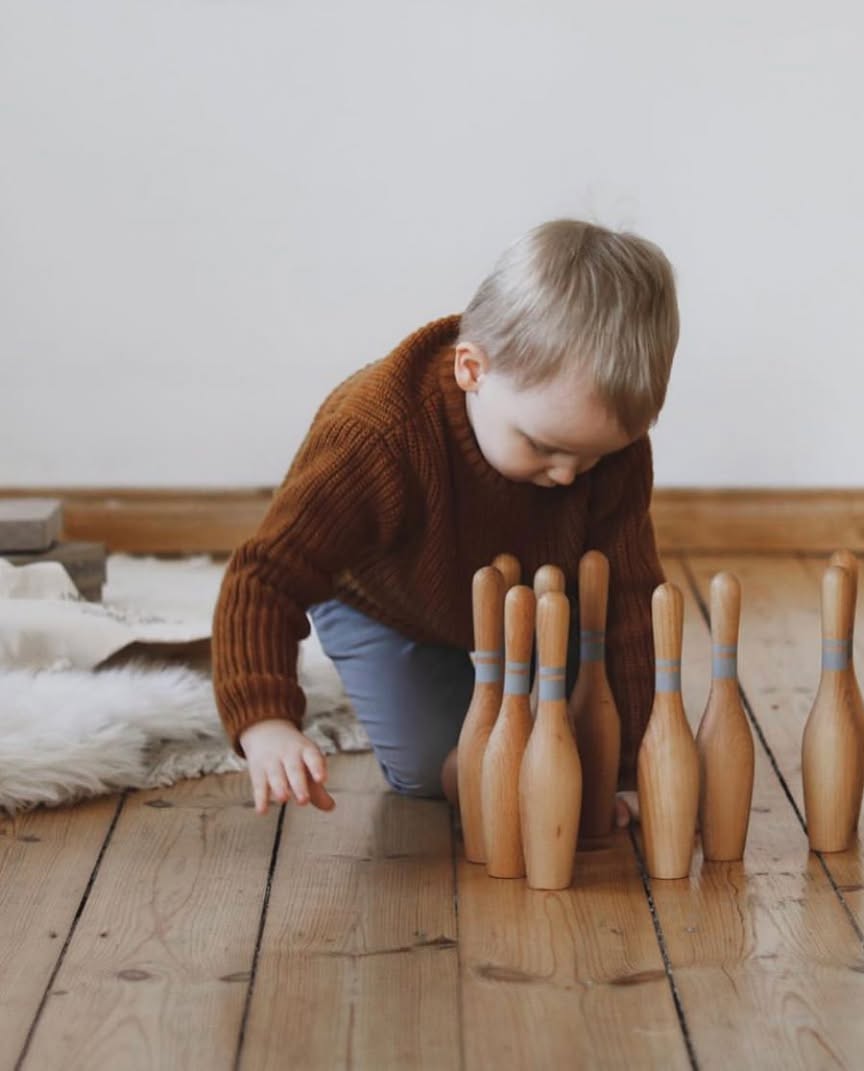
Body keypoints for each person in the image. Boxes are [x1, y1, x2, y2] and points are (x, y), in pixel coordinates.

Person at [212, 218, 679, 824]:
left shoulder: (609, 450)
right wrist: (265, 721)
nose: (569, 475)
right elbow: (264, 575)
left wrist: (628, 768)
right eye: (544, 447)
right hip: (389, 603)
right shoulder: (376, 436)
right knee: (437, 765)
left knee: (580, 743)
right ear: (472, 370)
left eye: (592, 457)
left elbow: (627, 600)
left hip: (529, 601)